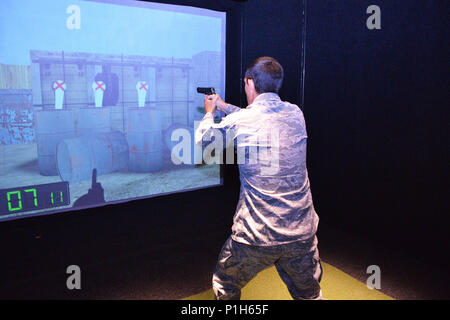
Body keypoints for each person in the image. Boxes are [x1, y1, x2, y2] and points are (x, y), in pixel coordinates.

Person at [195, 57, 323, 300]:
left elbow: (204, 141)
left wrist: (210, 112)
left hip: (256, 236)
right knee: (310, 295)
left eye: (246, 84)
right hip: (302, 234)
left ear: (250, 83)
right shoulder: (296, 114)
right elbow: (257, 117)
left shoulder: (243, 121)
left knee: (224, 285)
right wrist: (224, 106)